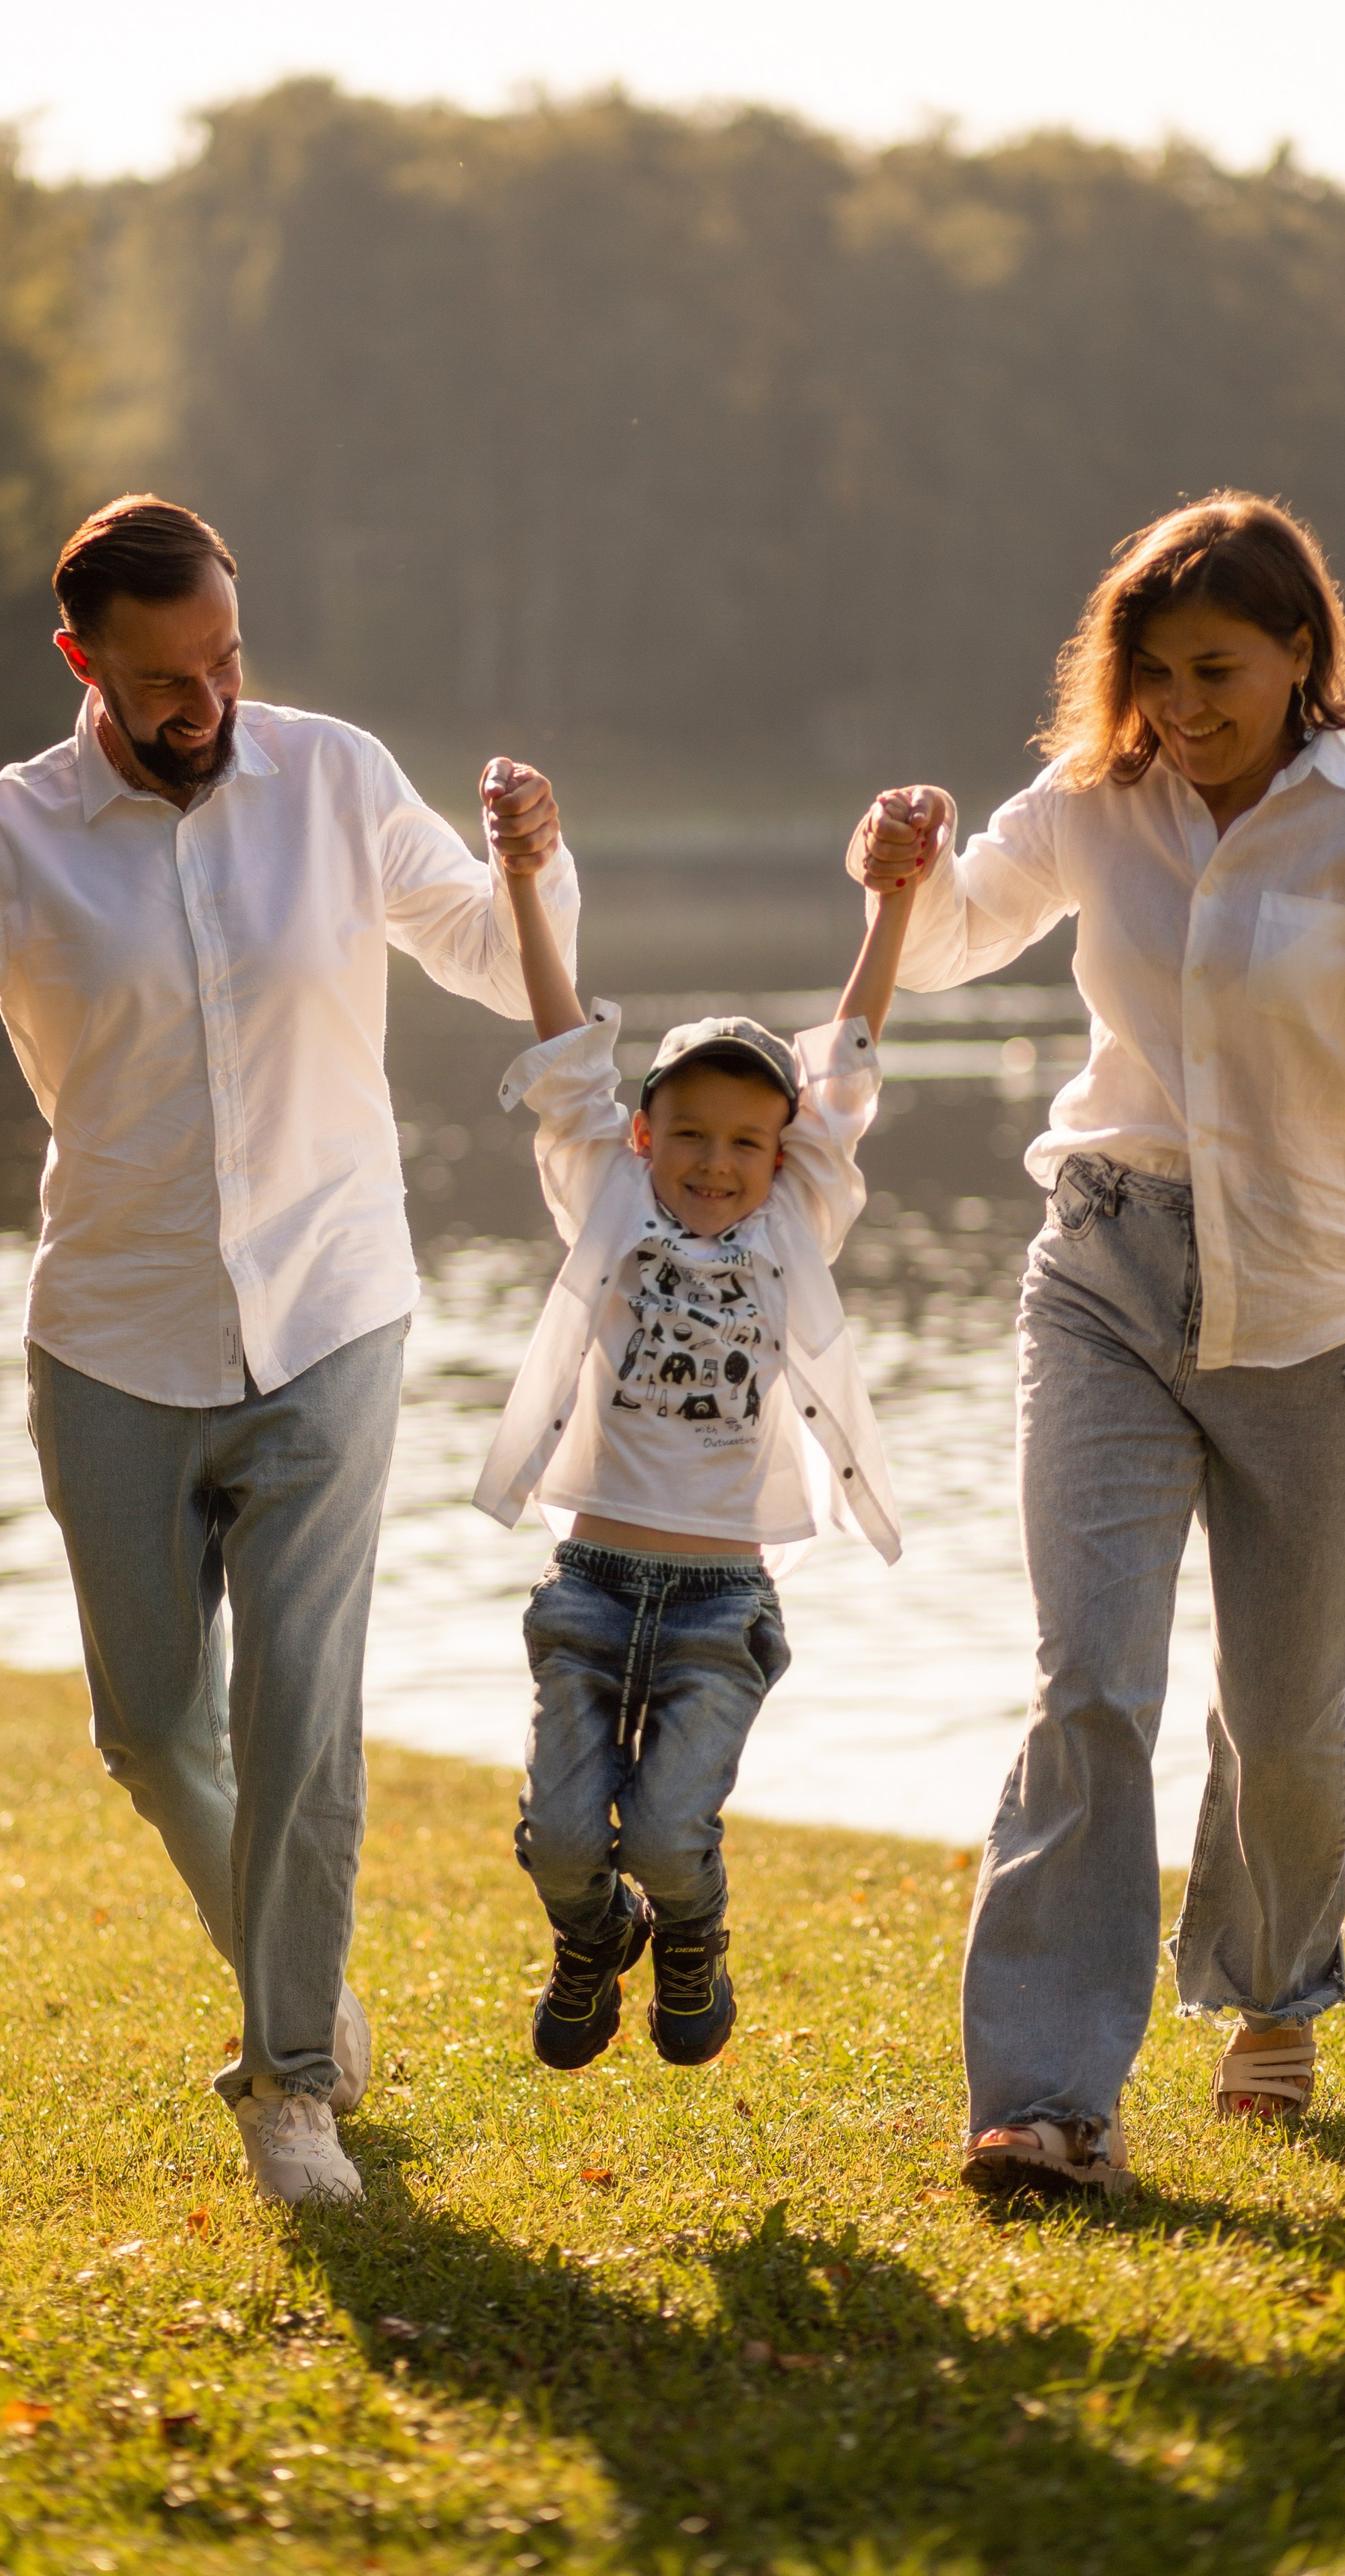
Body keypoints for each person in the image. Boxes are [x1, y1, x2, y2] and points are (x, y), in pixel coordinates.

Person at [0, 493, 578, 2206]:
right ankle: (305, 1990)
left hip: (333, 1312)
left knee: (301, 1714)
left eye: (226, 662)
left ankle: (290, 2082)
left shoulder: (336, 778)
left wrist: (529, 864)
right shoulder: (3, 843)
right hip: (114, 1337)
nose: (209, 704)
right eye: (166, 683)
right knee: (149, 1729)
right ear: (82, 661)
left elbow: (503, 967)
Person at [851, 490, 1345, 2201]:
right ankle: (1046, 2101)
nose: (1178, 705)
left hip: (1320, 1314)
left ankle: (1271, 1991)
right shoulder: (1092, 799)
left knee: (1281, 1713)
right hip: (1104, 1271)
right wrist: (902, 871)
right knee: (1089, 1683)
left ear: (1300, 654)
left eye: (1212, 670)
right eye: (1150, 672)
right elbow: (964, 931)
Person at [471, 768, 920, 2069]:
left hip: (723, 1600)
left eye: (746, 1142)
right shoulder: (606, 1203)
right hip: (593, 1581)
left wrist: (891, 905)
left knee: (671, 1836)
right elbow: (565, 1056)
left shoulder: (796, 1224)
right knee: (562, 1839)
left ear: (782, 1157)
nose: (716, 1163)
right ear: (642, 1137)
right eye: (690, 1136)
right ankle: (590, 1937)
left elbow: (848, 1062)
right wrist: (520, 882)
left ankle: (692, 1933)